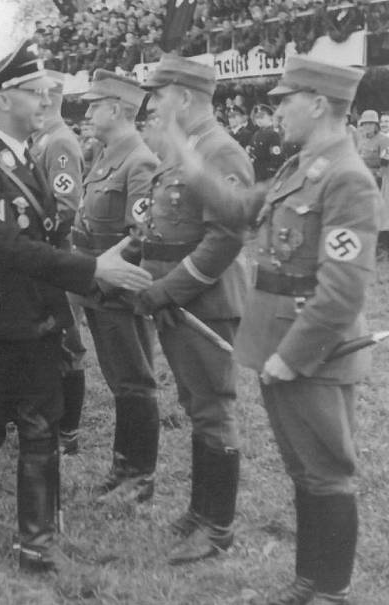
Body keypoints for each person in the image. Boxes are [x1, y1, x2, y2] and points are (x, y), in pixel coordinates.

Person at [0, 39, 153, 574]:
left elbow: (49, 236)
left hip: (36, 320)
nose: (46, 101)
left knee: (40, 432)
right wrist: (91, 270)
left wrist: (91, 266)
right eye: (37, 93)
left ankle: (38, 542)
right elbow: (6, 246)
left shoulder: (25, 156)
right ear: (5, 98)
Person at [175, 54, 377, 605]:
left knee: (327, 471)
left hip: (309, 353)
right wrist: (189, 167)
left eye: (286, 100)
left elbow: (343, 291)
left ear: (318, 104)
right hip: (277, 346)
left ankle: (329, 591)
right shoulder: (300, 166)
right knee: (304, 470)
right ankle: (308, 583)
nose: (277, 109)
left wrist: (292, 357)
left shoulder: (347, 178)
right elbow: (242, 207)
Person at [137, 54, 254, 564]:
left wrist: (169, 291)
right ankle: (200, 512)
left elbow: (224, 238)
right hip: (181, 302)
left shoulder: (221, 152)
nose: (157, 105)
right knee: (196, 406)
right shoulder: (189, 149)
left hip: (205, 303)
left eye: (161, 95)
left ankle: (218, 527)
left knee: (213, 409)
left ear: (184, 97)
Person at [70, 69, 160, 502]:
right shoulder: (105, 155)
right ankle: (124, 467)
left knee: (134, 381)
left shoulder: (138, 160)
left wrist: (106, 276)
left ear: (117, 110)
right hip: (98, 286)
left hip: (119, 290)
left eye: (93, 105)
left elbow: (141, 235)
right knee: (119, 379)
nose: (87, 113)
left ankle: (139, 476)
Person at [29, 69, 87, 457]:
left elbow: (66, 206)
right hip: (46, 256)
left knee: (69, 343)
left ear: (47, 99)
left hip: (58, 253)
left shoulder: (60, 141)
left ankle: (69, 432)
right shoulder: (42, 138)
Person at [250, 104, 285, 183]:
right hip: (258, 171)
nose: (259, 120)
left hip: (268, 172)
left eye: (262, 117)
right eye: (257, 117)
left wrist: (272, 171)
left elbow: (276, 155)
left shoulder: (273, 134)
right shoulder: (256, 134)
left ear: (270, 117)